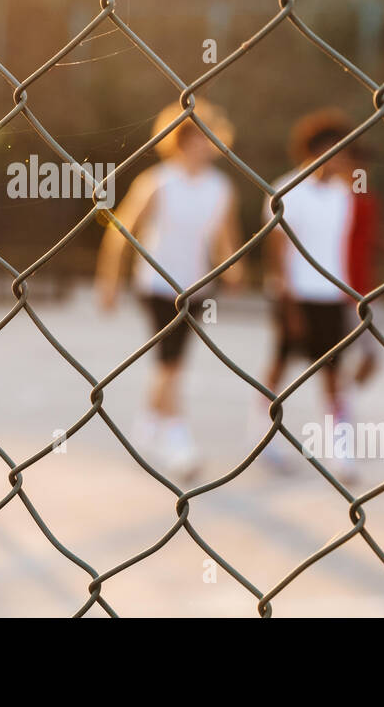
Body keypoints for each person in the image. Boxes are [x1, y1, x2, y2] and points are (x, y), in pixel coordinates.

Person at [96, 100, 244, 482]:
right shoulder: (157, 181)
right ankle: (177, 440)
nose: (202, 145)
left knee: (172, 362)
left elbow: (225, 238)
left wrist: (235, 269)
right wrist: (108, 282)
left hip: (197, 286)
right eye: (193, 138)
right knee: (171, 361)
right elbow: (120, 232)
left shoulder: (220, 187)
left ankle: (149, 424)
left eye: (207, 137)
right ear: (178, 142)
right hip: (157, 284)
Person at [260, 109, 378, 476]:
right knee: (280, 371)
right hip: (295, 296)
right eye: (334, 150)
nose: (341, 158)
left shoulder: (344, 196)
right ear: (313, 151)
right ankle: (265, 437)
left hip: (331, 297)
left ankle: (339, 451)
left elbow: (348, 247)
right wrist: (288, 303)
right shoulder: (286, 191)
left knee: (332, 374)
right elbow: (277, 254)